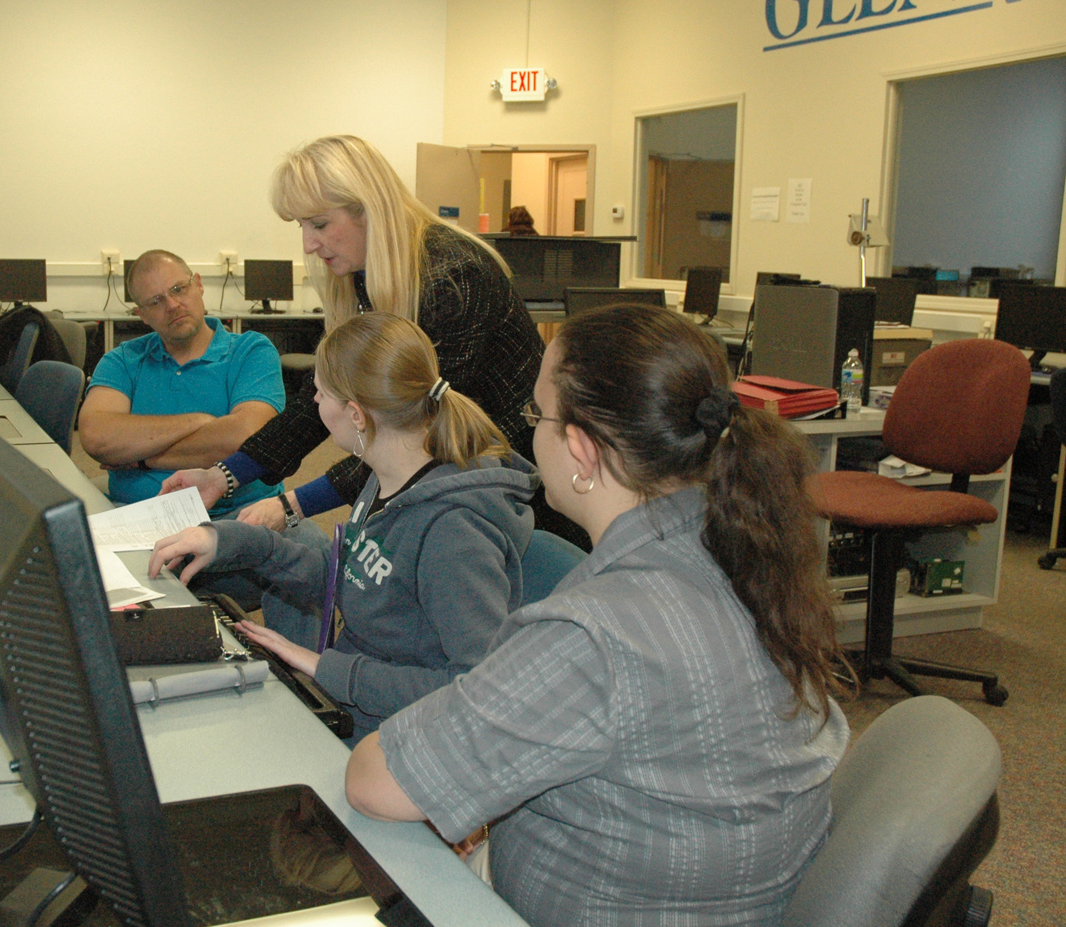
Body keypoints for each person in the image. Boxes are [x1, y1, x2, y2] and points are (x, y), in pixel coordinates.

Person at [344, 305, 852, 927]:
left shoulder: (596, 631)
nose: (530, 430)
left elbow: (376, 780)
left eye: (537, 414)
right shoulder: (746, 551)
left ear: (581, 449)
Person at [159, 135, 579, 547]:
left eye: (320, 224)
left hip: (524, 488)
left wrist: (292, 505)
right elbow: (319, 398)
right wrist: (224, 475)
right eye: (302, 226)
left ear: (370, 210)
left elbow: (416, 436)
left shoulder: (452, 278)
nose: (308, 242)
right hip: (462, 483)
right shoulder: (365, 276)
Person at [149, 313, 538, 741]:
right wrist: (227, 540)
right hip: (354, 703)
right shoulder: (387, 477)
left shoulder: (453, 532)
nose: (313, 402)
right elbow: (351, 582)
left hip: (402, 736)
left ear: (355, 414)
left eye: (319, 392)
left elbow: (477, 688)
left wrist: (324, 668)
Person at [77, 250, 284, 517]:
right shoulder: (122, 360)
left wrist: (141, 459)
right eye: (155, 301)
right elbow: (97, 437)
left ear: (198, 285)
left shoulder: (251, 350)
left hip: (236, 515)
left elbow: (248, 440)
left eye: (179, 289)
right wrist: (201, 422)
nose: (172, 305)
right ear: (142, 315)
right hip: (137, 515)